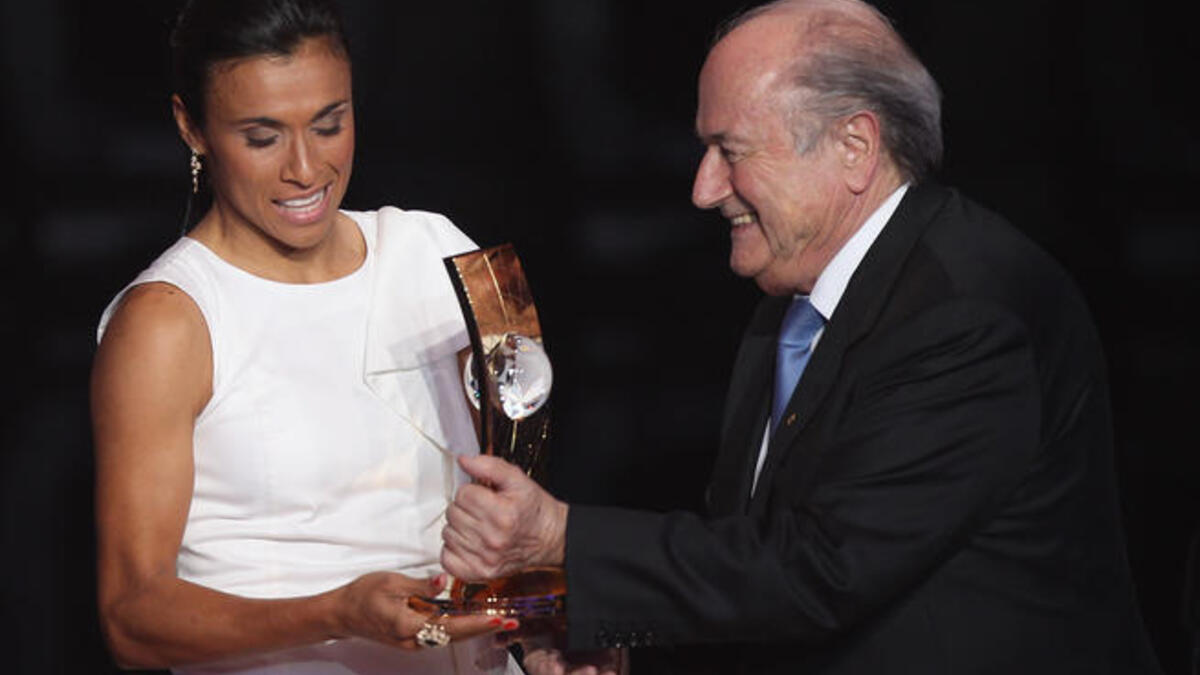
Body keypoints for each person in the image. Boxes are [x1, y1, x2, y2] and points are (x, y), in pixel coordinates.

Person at [438, 0, 1164, 673]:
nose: (703, 187)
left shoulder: (968, 312)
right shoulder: (792, 299)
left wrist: (566, 538)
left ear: (854, 146)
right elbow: (756, 570)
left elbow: (824, 570)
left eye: (732, 149)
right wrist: (622, 641)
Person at [89, 0, 521, 672]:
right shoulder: (170, 320)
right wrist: (334, 612)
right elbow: (132, 617)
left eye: (329, 124)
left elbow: (519, 493)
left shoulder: (437, 252)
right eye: (262, 138)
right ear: (191, 126)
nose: (304, 168)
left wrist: (558, 625)